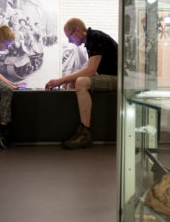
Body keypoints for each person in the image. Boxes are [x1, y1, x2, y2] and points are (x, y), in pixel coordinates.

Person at [45, 18, 117, 149]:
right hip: (110, 75)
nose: (70, 41)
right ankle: (70, 125)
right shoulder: (92, 39)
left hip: (120, 79)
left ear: (78, 30)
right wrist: (67, 80)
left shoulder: (95, 37)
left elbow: (90, 70)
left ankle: (85, 133)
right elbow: (92, 69)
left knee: (81, 82)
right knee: (73, 82)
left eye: (70, 37)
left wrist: (61, 80)